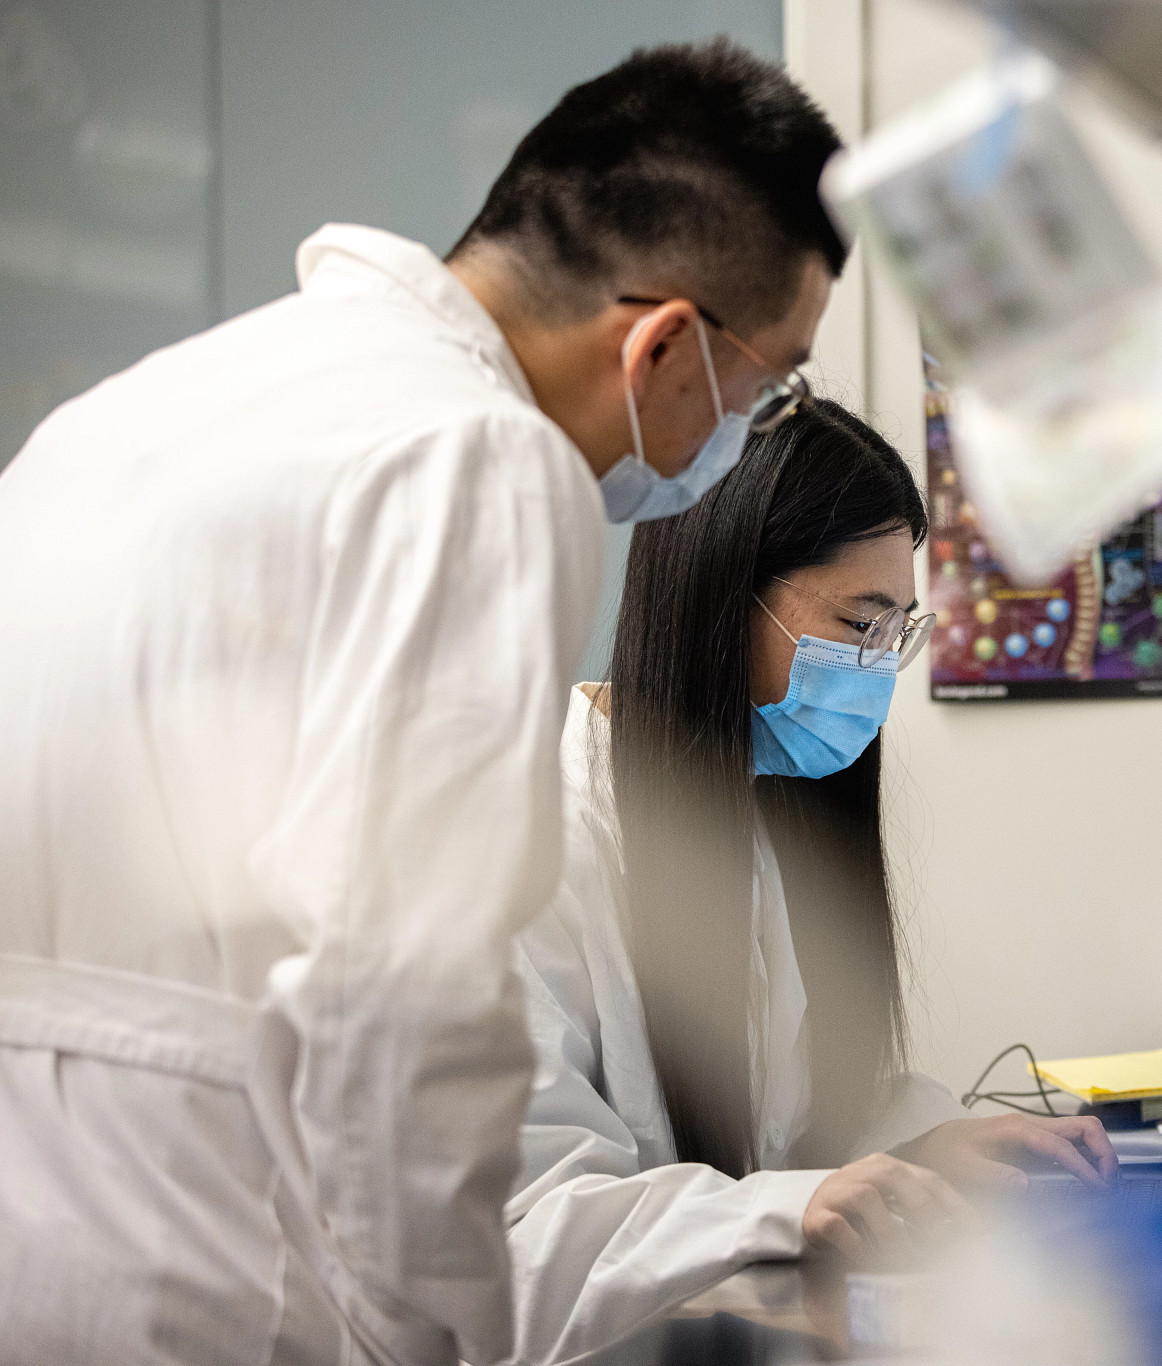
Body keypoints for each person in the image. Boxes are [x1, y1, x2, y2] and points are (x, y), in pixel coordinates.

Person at [0, 42, 845, 1366]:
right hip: (221, 1276)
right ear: (669, 342)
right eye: (769, 381)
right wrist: (451, 1318)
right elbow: (401, 1001)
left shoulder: (123, 419)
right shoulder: (474, 457)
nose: (754, 420)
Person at [505, 400, 1116, 1363]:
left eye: (896, 634)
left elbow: (772, 1138)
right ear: (721, 595)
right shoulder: (525, 844)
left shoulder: (731, 817)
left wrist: (914, 1151)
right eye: (858, 625)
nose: (877, 670)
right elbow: (523, 1237)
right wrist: (793, 1208)